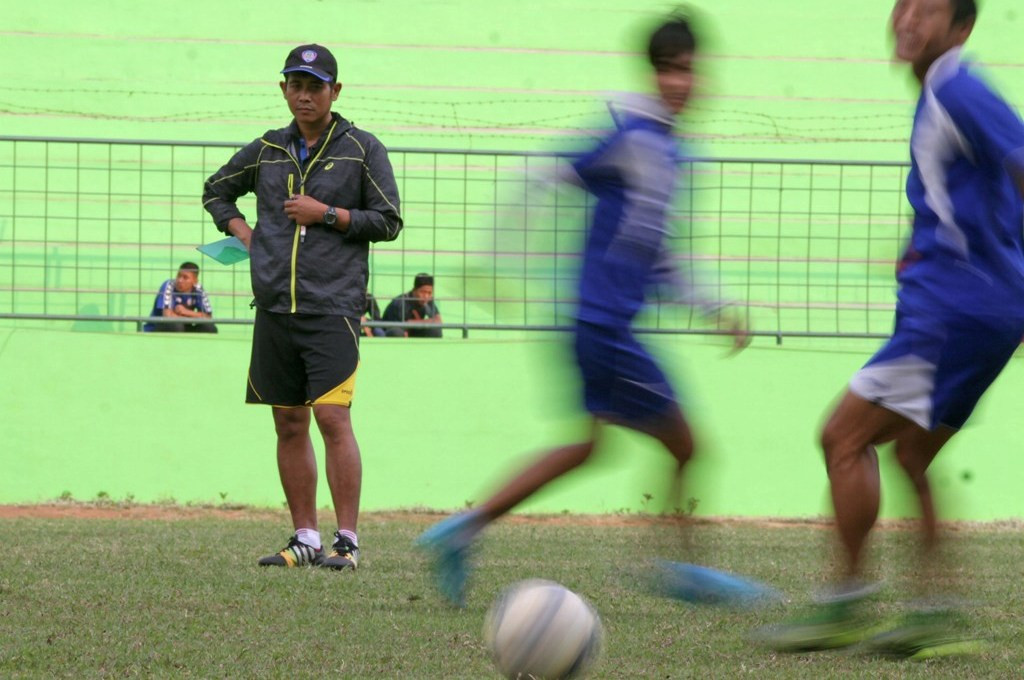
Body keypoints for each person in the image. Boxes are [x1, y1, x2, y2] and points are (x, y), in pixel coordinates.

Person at [415, 13, 750, 607]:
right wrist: (497, 258)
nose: (681, 82)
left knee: (590, 446)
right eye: (669, 70)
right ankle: (679, 567)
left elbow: (659, 254)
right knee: (686, 446)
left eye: (689, 70)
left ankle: (460, 531)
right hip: (603, 326)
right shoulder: (634, 137)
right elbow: (542, 174)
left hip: (599, 325)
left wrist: (714, 305)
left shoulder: (670, 150)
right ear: (653, 74)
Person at [760, 0, 1024, 657]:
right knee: (911, 452)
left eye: (928, 10)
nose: (908, 18)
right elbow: (991, 188)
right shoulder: (941, 90)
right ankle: (937, 616)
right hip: (979, 308)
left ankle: (845, 608)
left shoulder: (958, 87)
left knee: (842, 437)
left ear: (960, 28)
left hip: (952, 314)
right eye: (903, 4)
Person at [202, 43, 402, 570]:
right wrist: (246, 235)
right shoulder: (268, 148)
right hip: (273, 308)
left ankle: (348, 541)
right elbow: (216, 191)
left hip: (333, 306)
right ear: (283, 89)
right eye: (296, 84)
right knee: (288, 421)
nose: (305, 94)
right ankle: (305, 538)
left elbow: (387, 221)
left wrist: (328, 213)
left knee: (332, 419)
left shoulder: (362, 149)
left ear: (336, 91)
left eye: (316, 85)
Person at [142, 261, 217, 333]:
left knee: (209, 327)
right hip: (159, 327)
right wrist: (195, 316)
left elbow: (208, 317)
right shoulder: (169, 285)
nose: (180, 280)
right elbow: (168, 316)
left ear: (195, 281)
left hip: (185, 326)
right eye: (178, 275)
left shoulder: (198, 289)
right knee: (176, 325)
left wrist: (186, 312)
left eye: (185, 277)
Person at [381, 273, 443, 338]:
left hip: (413, 330)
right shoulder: (400, 302)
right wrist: (428, 321)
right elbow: (402, 327)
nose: (426, 296)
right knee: (397, 332)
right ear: (414, 290)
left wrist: (413, 322)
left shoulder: (428, 300)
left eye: (429, 293)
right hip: (394, 331)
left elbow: (438, 321)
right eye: (422, 292)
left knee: (435, 330)